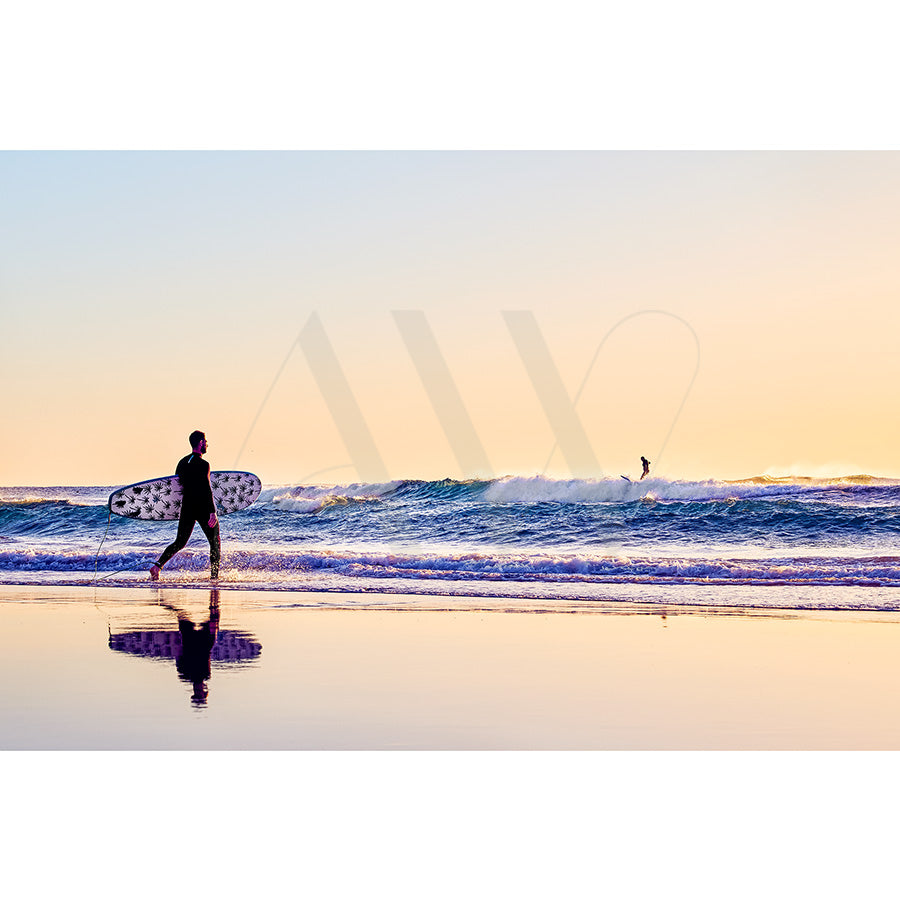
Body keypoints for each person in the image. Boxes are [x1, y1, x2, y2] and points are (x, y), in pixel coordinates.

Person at [149, 430, 219, 581]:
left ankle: (157, 567)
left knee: (180, 542)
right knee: (215, 543)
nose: (207, 444)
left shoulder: (182, 463)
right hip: (202, 508)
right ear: (200, 443)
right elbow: (207, 488)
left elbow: (176, 487)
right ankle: (214, 579)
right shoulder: (204, 464)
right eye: (205, 441)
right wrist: (212, 512)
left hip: (187, 507)